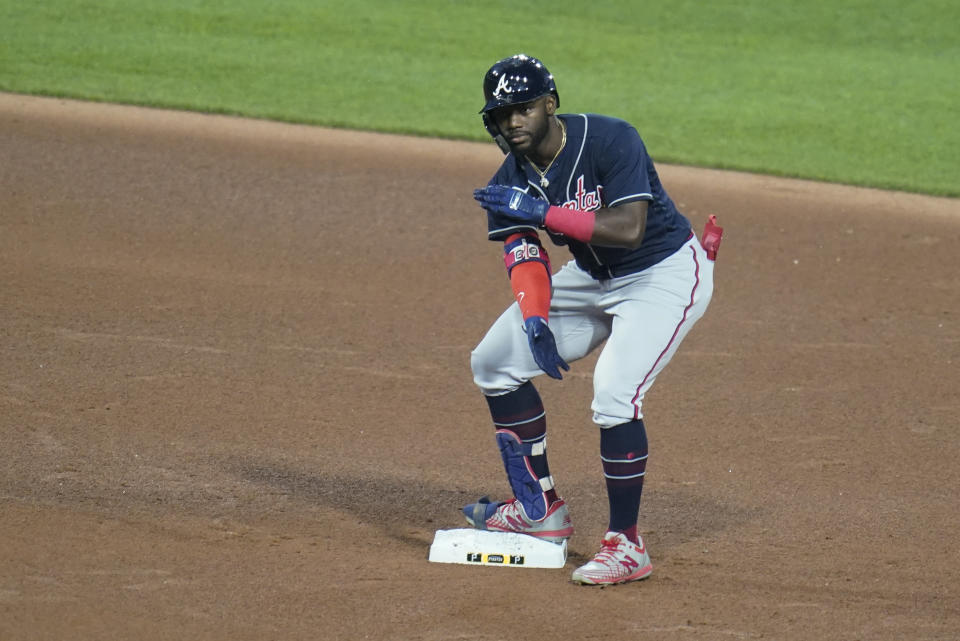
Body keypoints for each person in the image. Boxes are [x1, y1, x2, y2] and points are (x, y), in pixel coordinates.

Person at [465, 53, 722, 585]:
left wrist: (542, 212)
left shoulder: (610, 140)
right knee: (492, 362)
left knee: (613, 393)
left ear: (550, 105)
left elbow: (628, 229)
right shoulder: (507, 182)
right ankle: (539, 510)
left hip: (663, 274)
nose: (511, 121)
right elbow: (525, 255)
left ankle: (626, 546)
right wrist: (535, 318)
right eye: (500, 113)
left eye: (522, 108)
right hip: (589, 280)